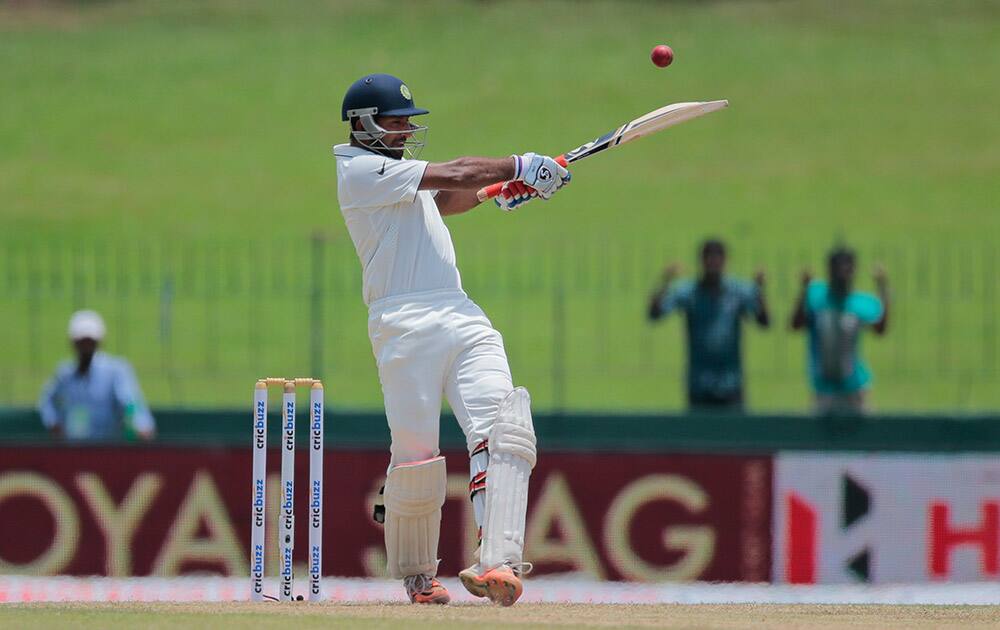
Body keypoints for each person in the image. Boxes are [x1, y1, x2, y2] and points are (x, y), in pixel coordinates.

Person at [333, 73, 570, 606]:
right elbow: (456, 171)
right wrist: (519, 166)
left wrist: (497, 192)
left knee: (502, 427)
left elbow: (442, 201)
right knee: (416, 457)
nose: (403, 131)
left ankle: (499, 563)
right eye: (393, 122)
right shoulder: (359, 171)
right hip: (403, 322)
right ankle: (419, 578)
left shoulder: (395, 173)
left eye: (406, 123)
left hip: (459, 310)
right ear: (361, 124)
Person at [647, 239, 770, 411]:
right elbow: (655, 314)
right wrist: (665, 282)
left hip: (731, 382)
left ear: (725, 261)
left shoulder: (737, 291)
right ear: (702, 261)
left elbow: (764, 321)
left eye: (717, 258)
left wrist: (759, 291)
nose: (713, 263)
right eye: (708, 258)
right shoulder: (689, 292)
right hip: (699, 384)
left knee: (735, 435)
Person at [790, 246, 890, 415]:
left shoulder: (861, 302)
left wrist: (883, 290)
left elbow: (880, 329)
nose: (842, 273)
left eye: (847, 268)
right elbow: (796, 325)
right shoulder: (816, 295)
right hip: (823, 388)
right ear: (829, 269)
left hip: (854, 387)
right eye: (838, 268)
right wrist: (804, 291)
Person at [38, 310, 156, 441]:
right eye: (82, 342)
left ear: (99, 342)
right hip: (73, 449)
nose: (86, 347)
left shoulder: (116, 371)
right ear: (73, 343)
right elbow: (47, 400)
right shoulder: (64, 374)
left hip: (106, 449)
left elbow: (130, 401)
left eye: (90, 342)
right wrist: (54, 423)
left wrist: (141, 425)